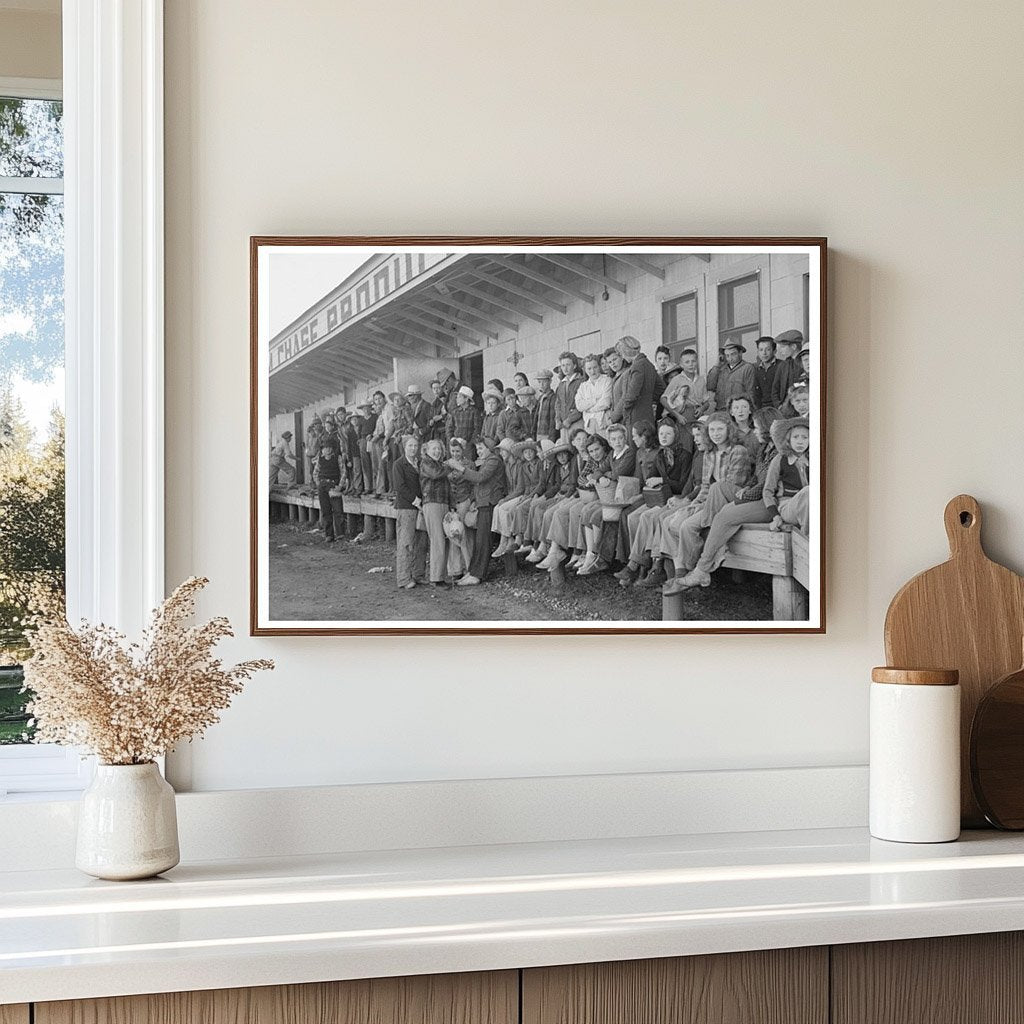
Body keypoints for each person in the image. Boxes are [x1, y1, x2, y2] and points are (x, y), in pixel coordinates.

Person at [670, 407, 780, 589]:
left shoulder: (768, 452)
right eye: (712, 430)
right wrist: (696, 503)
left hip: (763, 501)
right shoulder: (764, 450)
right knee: (686, 523)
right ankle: (692, 571)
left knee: (717, 491)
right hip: (728, 500)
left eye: (758, 428)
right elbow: (756, 479)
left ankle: (700, 568)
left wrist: (746, 493)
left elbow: (764, 486)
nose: (755, 431)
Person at [615, 419, 692, 586]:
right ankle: (638, 566)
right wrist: (653, 480)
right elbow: (651, 478)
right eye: (661, 434)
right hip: (659, 496)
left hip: (675, 498)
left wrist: (661, 480)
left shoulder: (685, 455)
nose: (664, 437)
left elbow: (682, 483)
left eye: (668, 433)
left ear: (675, 435)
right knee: (635, 517)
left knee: (648, 517)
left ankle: (643, 566)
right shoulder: (660, 455)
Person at [575, 423, 637, 575]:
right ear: (610, 441)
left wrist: (606, 475)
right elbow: (599, 470)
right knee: (596, 513)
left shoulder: (628, 453)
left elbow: (618, 473)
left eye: (620, 438)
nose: (617, 442)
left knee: (604, 516)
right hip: (614, 495)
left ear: (625, 438)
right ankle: (593, 555)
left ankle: (601, 558)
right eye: (614, 439)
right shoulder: (612, 455)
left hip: (628, 493)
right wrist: (601, 475)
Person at [542, 431, 609, 572]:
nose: (595, 453)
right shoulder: (589, 459)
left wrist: (594, 478)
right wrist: (591, 479)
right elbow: (581, 479)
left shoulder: (607, 458)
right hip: (588, 495)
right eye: (592, 451)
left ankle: (580, 552)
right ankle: (555, 549)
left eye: (597, 449)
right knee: (561, 511)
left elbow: (607, 475)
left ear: (603, 447)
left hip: (600, 496)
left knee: (575, 511)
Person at [448, 435, 506, 586]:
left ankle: (478, 575)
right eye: (477, 448)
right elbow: (478, 484)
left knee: (484, 541)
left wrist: (459, 467)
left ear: (489, 448)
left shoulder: (493, 460)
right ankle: (473, 572)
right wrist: (474, 500)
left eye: (481, 448)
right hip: (482, 503)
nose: (478, 451)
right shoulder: (487, 461)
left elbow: (480, 478)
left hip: (489, 503)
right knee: (480, 541)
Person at [492, 439, 541, 558]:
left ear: (509, 451)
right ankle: (505, 540)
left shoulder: (519, 464)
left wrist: (507, 498)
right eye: (501, 451)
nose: (501, 453)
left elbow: (520, 488)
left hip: (523, 494)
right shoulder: (507, 465)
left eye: (503, 450)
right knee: (497, 508)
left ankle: (510, 538)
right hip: (521, 494)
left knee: (504, 508)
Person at [393, 435, 428, 590]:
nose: (413, 449)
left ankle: (418, 574)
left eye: (415, 446)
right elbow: (400, 487)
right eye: (410, 446)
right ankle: (403, 577)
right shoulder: (399, 464)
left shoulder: (420, 463)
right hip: (407, 507)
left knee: (421, 542)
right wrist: (416, 500)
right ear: (404, 447)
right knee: (406, 543)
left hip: (421, 508)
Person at [765, 416, 810, 535]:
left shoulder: (813, 459)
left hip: (811, 505)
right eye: (795, 437)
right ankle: (806, 538)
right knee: (808, 492)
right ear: (788, 440)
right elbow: (768, 491)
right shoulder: (780, 459)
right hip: (788, 506)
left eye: (805, 437)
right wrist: (775, 516)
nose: (800, 441)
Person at [608, 335, 660, 430]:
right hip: (648, 415)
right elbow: (661, 388)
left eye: (621, 354)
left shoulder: (637, 366)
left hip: (635, 417)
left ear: (626, 351)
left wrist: (625, 413)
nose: (622, 357)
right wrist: (647, 401)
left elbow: (631, 395)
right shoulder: (649, 364)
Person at [418, 438, 450, 588]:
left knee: (443, 540)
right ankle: (436, 577)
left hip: (442, 503)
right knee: (437, 540)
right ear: (427, 451)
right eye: (434, 449)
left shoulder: (439, 464)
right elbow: (436, 474)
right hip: (432, 503)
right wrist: (450, 466)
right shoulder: (426, 463)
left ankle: (440, 575)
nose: (437, 451)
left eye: (439, 449)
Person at [445, 437, 475, 578]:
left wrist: (472, 500)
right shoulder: (447, 464)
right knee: (453, 534)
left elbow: (475, 484)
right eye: (452, 451)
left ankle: (469, 568)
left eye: (457, 451)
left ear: (462, 450)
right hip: (452, 503)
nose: (455, 454)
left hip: (464, 500)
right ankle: (455, 569)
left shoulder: (469, 464)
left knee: (464, 535)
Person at [660, 347, 709, 421]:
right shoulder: (677, 379)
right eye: (687, 362)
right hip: (683, 415)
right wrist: (677, 415)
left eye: (693, 361)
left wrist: (702, 409)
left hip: (698, 415)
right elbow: (663, 399)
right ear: (681, 364)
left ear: (697, 362)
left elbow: (706, 402)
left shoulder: (701, 380)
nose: (691, 364)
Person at [575, 353, 613, 438]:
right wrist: (595, 400)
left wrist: (589, 409)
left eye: (595, 367)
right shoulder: (583, 386)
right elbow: (579, 406)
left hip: (603, 422)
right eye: (589, 368)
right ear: (584, 369)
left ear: (599, 366)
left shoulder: (607, 381)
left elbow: (606, 402)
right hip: (589, 424)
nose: (592, 371)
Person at [710, 340, 756, 410]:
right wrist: (717, 365)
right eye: (727, 355)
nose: (730, 358)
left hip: (737, 411)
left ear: (740, 353)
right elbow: (710, 386)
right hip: (720, 410)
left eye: (733, 354)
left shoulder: (747, 368)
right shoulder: (720, 369)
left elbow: (750, 393)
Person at [313, 437, 344, 543]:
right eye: (325, 448)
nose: (327, 450)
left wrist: (340, 485)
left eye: (329, 448)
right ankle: (329, 535)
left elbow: (343, 472)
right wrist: (319, 484)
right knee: (326, 511)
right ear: (322, 449)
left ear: (332, 449)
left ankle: (340, 534)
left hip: (334, 485)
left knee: (338, 510)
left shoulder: (337, 458)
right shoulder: (320, 459)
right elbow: (315, 473)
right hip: (323, 487)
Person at [553, 351, 584, 440]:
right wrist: (558, 420)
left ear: (574, 366)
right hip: (563, 424)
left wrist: (570, 419)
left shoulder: (581, 381)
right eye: (563, 365)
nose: (565, 368)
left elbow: (581, 405)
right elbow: (558, 404)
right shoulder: (561, 384)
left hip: (577, 422)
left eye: (568, 365)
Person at [771, 330, 803, 408]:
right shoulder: (783, 365)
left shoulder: (804, 364)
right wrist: (779, 405)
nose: (780, 350)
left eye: (783, 347)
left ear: (794, 347)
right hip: (785, 409)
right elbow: (775, 389)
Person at [753, 336, 779, 410]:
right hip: (762, 408)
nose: (764, 353)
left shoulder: (781, 366)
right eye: (761, 350)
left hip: (777, 408)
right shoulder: (756, 368)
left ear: (774, 351)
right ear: (757, 352)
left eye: (768, 349)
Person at [533, 368, 557, 442]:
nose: (542, 384)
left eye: (544, 382)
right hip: (538, 433)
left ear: (550, 381)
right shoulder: (540, 398)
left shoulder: (553, 397)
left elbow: (553, 420)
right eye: (539, 382)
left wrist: (551, 438)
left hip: (547, 435)